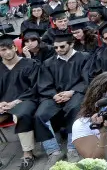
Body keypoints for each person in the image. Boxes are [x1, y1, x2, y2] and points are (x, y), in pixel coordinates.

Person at [34, 33, 89, 163]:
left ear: (71, 44)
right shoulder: (48, 63)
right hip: (54, 96)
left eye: (62, 46)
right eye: (56, 47)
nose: (58, 50)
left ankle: (72, 148)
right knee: (40, 115)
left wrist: (71, 92)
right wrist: (54, 94)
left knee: (74, 108)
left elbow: (87, 79)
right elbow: (44, 83)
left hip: (76, 93)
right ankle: (53, 151)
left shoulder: (85, 58)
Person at [0, 32, 40, 170]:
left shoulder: (30, 64)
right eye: (3, 50)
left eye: (10, 48)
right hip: (3, 106)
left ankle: (28, 155)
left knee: (21, 114)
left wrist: (15, 102)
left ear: (15, 47)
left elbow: (35, 87)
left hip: (25, 100)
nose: (8, 52)